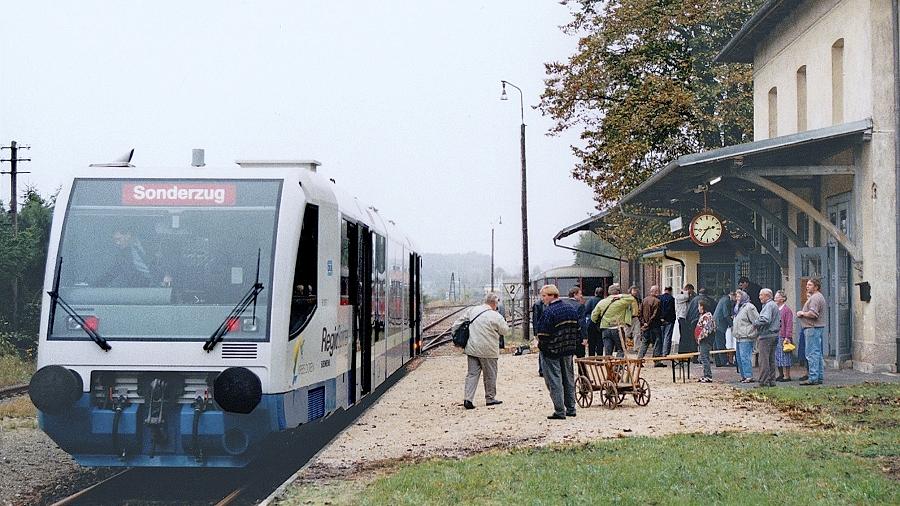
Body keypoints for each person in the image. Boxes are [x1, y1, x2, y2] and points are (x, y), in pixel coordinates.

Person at [452, 292, 510, 409]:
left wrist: (455, 336)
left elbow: (457, 323)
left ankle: (468, 399)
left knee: (472, 374)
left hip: (472, 349)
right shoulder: (496, 316)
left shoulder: (473, 310)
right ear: (495, 303)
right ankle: (490, 398)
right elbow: (505, 331)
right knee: (490, 375)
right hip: (489, 351)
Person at [535, 284, 581, 420]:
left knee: (554, 380)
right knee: (568, 379)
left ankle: (559, 410)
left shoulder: (549, 312)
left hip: (552, 351)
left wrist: (542, 347)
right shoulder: (570, 308)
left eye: (544, 296)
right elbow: (577, 329)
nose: (542, 299)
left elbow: (543, 334)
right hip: (568, 349)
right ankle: (571, 408)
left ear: (551, 296)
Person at [97, 228, 169, 288]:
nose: (117, 243)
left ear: (128, 235)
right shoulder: (122, 256)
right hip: (145, 289)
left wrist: (168, 275)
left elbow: (166, 260)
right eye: (115, 240)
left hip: (166, 287)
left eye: (119, 239)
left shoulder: (152, 243)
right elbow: (112, 273)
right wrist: (96, 286)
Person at [591, 284, 636, 357]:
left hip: (605, 329)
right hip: (618, 328)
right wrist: (620, 296)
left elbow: (593, 317)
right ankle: (618, 367)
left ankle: (609, 367)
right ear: (618, 292)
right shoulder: (622, 302)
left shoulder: (602, 302)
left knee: (608, 351)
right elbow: (631, 298)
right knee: (620, 349)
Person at [797, 278, 827, 386]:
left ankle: (813, 377)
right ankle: (818, 377)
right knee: (817, 354)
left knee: (811, 353)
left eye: (810, 285)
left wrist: (802, 313)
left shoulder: (815, 298)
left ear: (816, 287)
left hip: (812, 327)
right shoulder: (819, 297)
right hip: (815, 328)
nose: (807, 286)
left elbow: (813, 314)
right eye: (807, 285)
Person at [753, 288, 781, 388]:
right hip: (774, 335)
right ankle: (771, 380)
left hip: (766, 336)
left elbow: (766, 319)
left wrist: (755, 323)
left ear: (767, 296)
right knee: (771, 359)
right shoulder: (774, 305)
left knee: (763, 359)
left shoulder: (768, 306)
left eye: (761, 295)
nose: (759, 297)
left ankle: (763, 381)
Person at [732, 289, 759, 383]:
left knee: (745, 357)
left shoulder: (749, 307)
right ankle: (743, 376)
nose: (737, 298)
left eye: (739, 296)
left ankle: (749, 376)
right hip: (738, 335)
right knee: (739, 358)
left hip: (746, 335)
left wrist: (751, 331)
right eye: (737, 296)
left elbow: (756, 321)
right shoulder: (738, 307)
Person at [774, 290, 795, 382]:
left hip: (783, 336)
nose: (775, 298)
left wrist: (787, 337)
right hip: (776, 334)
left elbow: (789, 324)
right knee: (777, 356)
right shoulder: (775, 309)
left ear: (782, 299)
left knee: (785, 355)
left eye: (777, 297)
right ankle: (780, 374)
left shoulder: (787, 310)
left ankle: (787, 375)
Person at [638, 285, 662, 360]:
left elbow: (639, 313)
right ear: (656, 292)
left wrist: (643, 322)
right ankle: (657, 360)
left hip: (646, 326)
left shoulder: (644, 300)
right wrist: (648, 323)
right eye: (658, 290)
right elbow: (655, 315)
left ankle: (639, 359)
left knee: (644, 343)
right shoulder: (657, 301)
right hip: (654, 326)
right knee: (657, 343)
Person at [695, 300, 716, 383]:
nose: (698, 308)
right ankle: (705, 374)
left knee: (704, 357)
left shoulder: (707, 316)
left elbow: (706, 329)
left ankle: (708, 375)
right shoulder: (705, 316)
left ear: (703, 307)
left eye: (699, 306)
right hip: (704, 340)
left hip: (705, 340)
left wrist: (700, 337)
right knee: (704, 357)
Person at [713, 291, 734, 366]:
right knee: (720, 342)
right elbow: (726, 314)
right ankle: (724, 361)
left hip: (716, 322)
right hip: (720, 324)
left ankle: (718, 361)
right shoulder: (726, 300)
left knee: (716, 343)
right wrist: (732, 324)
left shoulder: (723, 299)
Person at [566, 286, 587, 358]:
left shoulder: (564, 305)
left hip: (566, 335)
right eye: (580, 294)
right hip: (577, 335)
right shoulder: (580, 306)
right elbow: (582, 322)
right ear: (575, 294)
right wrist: (585, 337)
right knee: (581, 358)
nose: (581, 296)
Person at [675, 283, 695, 355]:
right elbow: (686, 297)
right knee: (683, 334)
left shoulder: (686, 297)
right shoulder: (679, 296)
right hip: (682, 317)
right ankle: (682, 350)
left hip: (686, 318)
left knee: (687, 334)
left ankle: (686, 349)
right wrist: (685, 291)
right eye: (690, 291)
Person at [583, 287, 604, 357]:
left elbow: (586, 311)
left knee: (591, 342)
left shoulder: (590, 300)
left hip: (591, 324)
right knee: (600, 342)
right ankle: (599, 358)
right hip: (601, 323)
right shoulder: (603, 301)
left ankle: (591, 358)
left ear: (595, 293)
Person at [658, 286, 676, 356]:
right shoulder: (671, 299)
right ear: (670, 291)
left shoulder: (660, 298)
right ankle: (665, 352)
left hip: (660, 320)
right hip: (669, 319)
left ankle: (660, 351)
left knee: (661, 336)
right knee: (667, 336)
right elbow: (670, 309)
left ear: (664, 290)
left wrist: (661, 317)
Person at [532, 296, 545, 377]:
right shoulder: (538, 305)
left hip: (544, 329)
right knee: (542, 350)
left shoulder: (540, 304)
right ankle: (542, 370)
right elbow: (535, 320)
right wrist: (536, 333)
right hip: (541, 330)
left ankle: (543, 369)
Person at [628, 286, 642, 351]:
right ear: (630, 291)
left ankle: (637, 347)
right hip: (628, 318)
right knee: (627, 333)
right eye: (634, 291)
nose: (635, 292)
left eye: (636, 291)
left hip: (636, 317)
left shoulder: (638, 299)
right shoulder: (628, 298)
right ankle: (625, 346)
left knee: (637, 332)